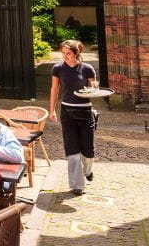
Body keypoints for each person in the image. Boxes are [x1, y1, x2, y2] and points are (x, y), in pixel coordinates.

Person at [49, 39, 97, 196]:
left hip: (85, 111)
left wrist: (94, 87)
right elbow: (54, 89)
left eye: (68, 53)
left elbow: (93, 87)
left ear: (76, 53)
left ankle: (88, 170)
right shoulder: (58, 68)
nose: (65, 56)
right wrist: (52, 110)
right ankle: (77, 185)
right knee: (72, 149)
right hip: (67, 111)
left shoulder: (87, 68)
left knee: (88, 150)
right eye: (63, 53)